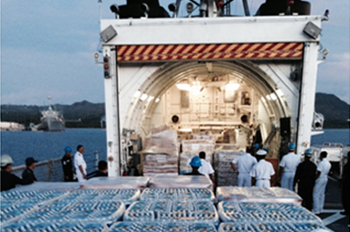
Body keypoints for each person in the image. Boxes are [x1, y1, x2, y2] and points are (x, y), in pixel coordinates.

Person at [312, 151, 331, 215]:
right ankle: (320, 208)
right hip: (325, 178)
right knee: (322, 194)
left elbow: (319, 172)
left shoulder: (321, 163)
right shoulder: (328, 163)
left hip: (320, 179)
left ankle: (316, 209)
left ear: (321, 155)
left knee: (316, 194)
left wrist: (315, 178)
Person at [340, 151, 349, 216]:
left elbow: (344, 175)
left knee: (346, 197)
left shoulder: (347, 165)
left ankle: (347, 210)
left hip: (347, 183)